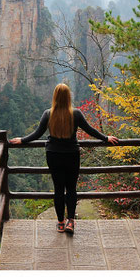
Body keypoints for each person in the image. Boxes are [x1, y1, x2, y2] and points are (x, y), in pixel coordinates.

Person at [9, 83, 119, 234]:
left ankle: (60, 222)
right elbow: (90, 130)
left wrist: (22, 140)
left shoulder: (48, 114)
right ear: (69, 97)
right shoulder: (76, 114)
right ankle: (70, 222)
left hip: (53, 155)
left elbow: (37, 134)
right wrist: (106, 138)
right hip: (71, 155)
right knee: (71, 189)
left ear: (54, 97)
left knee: (58, 189)